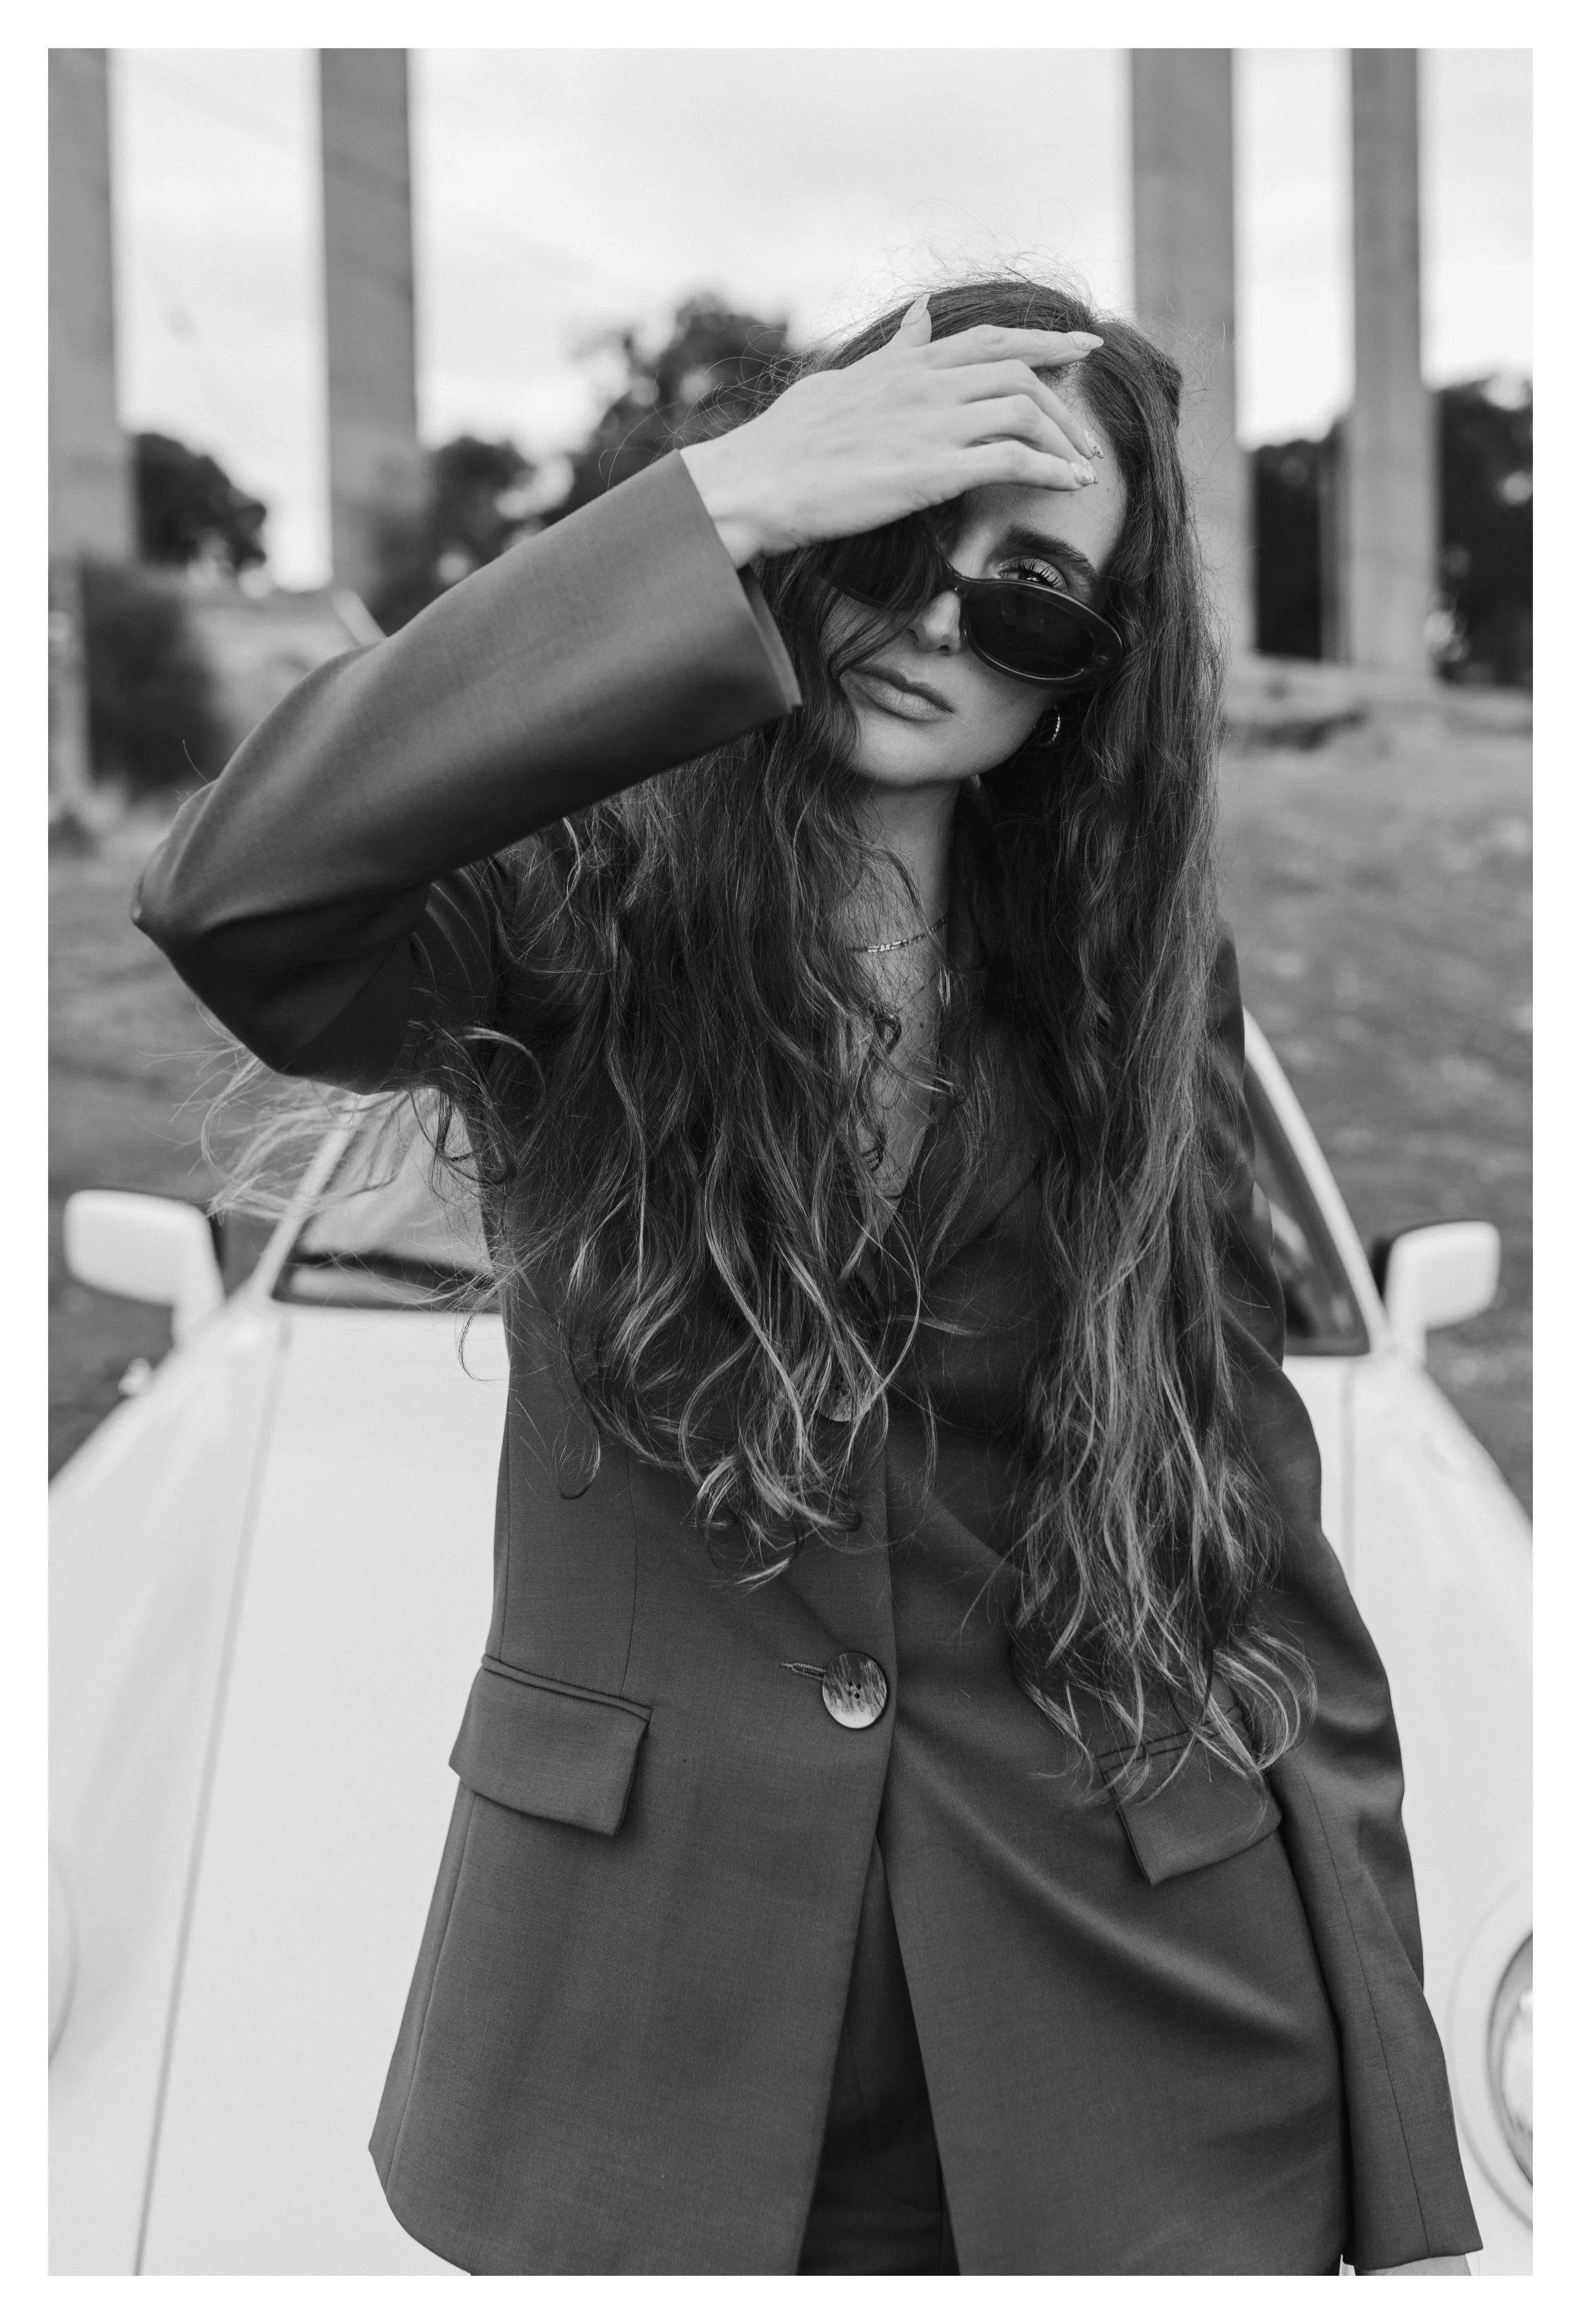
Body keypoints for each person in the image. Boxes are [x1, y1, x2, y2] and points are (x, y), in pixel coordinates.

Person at [133, 276, 1479, 2275]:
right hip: (632, 2022)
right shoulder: (577, 895)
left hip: (1137, 2015)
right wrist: (722, 497)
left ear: (1091, 667)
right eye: (886, 545)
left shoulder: (1128, 984)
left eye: (1028, 591)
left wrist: (1409, 2159)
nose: (939, 619)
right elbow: (238, 895)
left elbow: (1247, 1530)